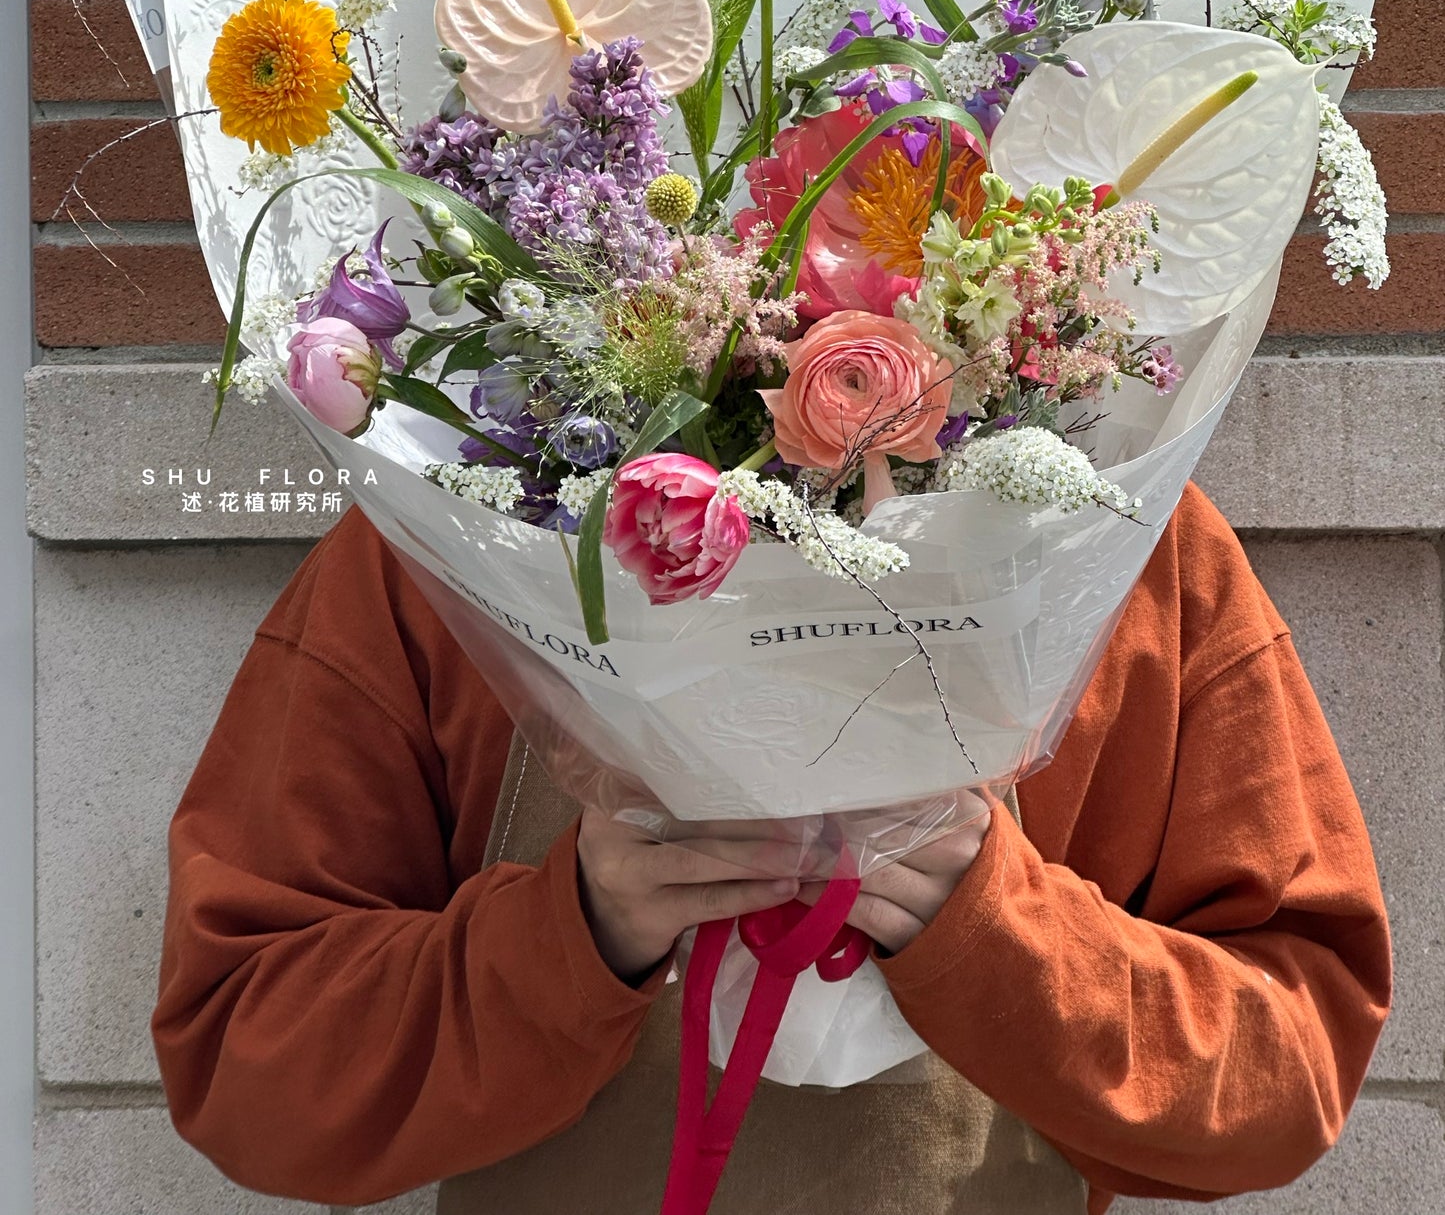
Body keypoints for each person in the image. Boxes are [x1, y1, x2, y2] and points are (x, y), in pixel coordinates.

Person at [153, 484, 1390, 1215]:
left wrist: (993, 931)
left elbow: (1288, 1060)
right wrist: (574, 934)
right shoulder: (447, 543)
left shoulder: (1116, 545)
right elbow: (246, 1059)